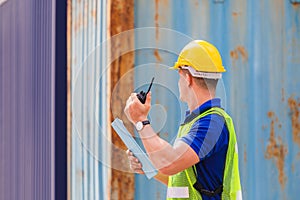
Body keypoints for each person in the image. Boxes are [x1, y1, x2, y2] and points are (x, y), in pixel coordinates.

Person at [124, 40, 242, 200]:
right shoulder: (197, 122)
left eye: (179, 77)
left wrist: (141, 121)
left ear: (187, 77)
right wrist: (148, 166)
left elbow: (169, 163)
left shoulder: (211, 124)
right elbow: (182, 180)